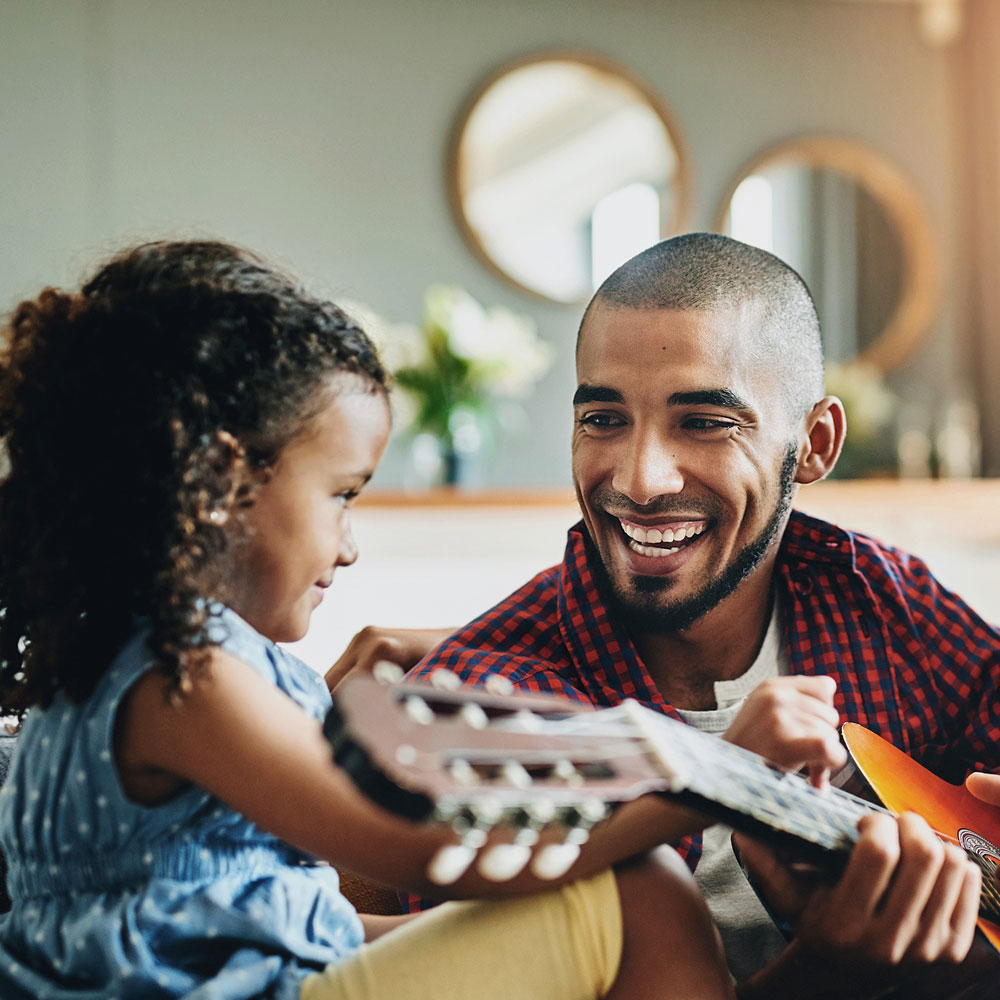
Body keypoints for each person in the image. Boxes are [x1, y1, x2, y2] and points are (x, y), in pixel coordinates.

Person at [0, 238, 870, 1000]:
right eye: (340, 497)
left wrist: (455, 662)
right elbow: (422, 849)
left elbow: (288, 903)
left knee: (621, 897)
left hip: (255, 963)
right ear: (226, 485)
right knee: (644, 893)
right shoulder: (184, 677)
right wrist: (710, 774)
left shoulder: (133, 651)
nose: (346, 548)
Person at [339, 234, 996, 995]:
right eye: (604, 420)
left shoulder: (882, 600)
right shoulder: (485, 704)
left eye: (705, 422)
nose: (642, 481)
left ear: (814, 444)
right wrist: (828, 972)